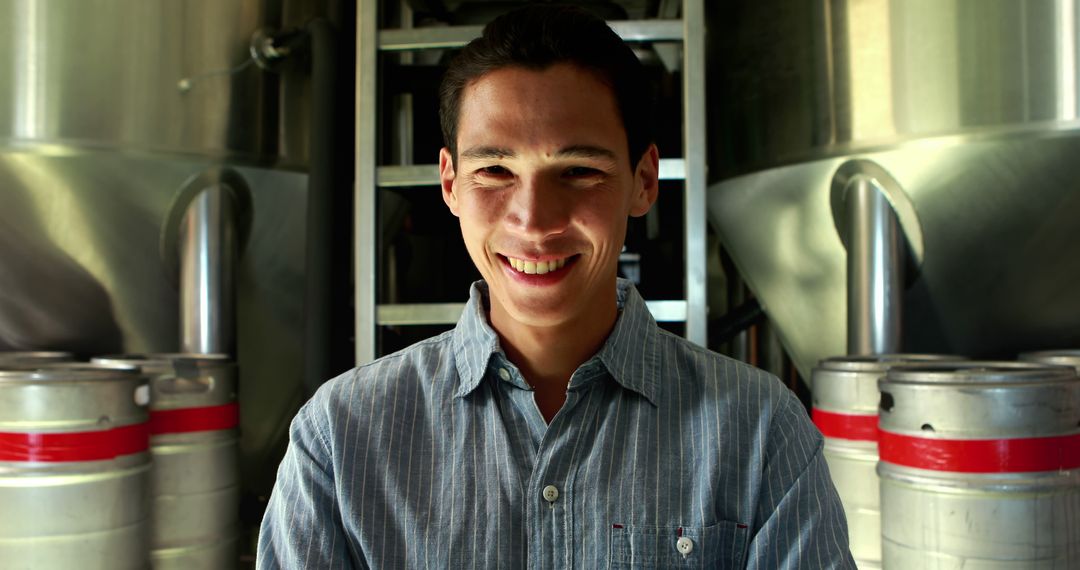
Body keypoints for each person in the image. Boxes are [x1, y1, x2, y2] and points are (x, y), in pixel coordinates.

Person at [258, 5, 854, 568]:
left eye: (579, 171)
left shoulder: (759, 430)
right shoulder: (338, 439)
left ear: (644, 181)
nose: (534, 220)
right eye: (494, 171)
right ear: (450, 184)